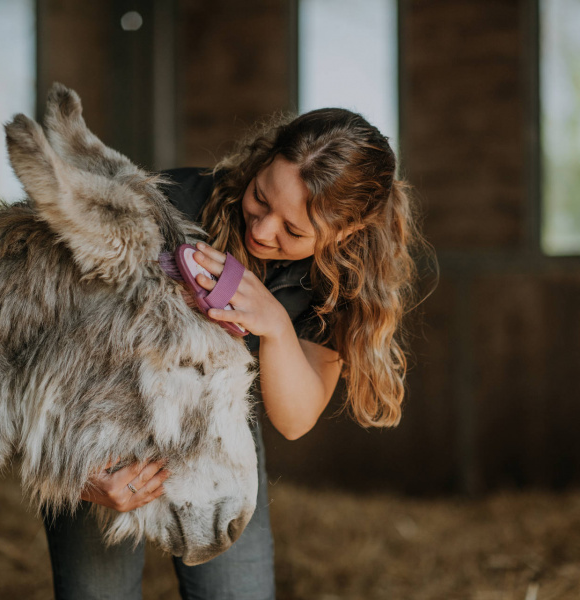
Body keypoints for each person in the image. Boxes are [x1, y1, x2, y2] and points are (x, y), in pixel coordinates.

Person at [42, 108, 431, 599]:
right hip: (99, 420)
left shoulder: (340, 278)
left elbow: (294, 418)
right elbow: (49, 350)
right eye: (260, 198)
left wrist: (274, 327)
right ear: (262, 161)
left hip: (219, 424)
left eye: (293, 231)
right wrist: (78, 475)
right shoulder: (167, 204)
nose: (264, 231)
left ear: (346, 233)